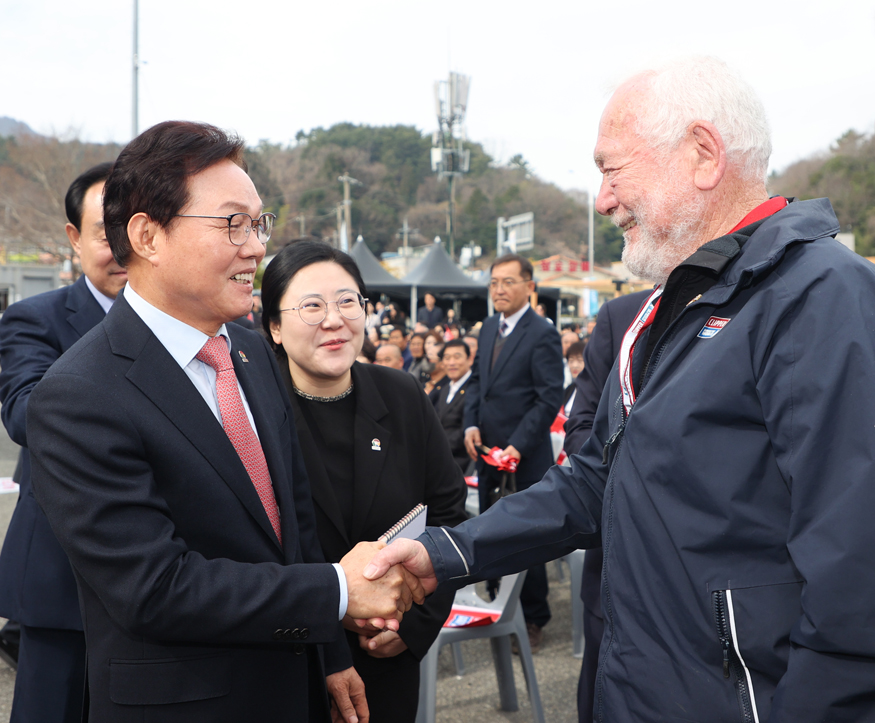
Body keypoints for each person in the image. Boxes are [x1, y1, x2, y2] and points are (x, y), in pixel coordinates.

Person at [365, 56, 875, 722]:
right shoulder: (665, 310)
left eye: (610, 169)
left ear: (701, 154)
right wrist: (448, 551)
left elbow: (854, 580)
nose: (601, 199)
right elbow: (595, 482)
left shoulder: (817, 296)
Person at [26, 121, 421, 723]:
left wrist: (331, 654)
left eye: (258, 223)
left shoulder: (251, 352)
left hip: (293, 689)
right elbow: (154, 589)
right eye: (232, 223)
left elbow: (294, 524)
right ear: (148, 236)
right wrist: (337, 594)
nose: (257, 247)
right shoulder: (79, 395)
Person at [261, 241, 467, 722]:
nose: (334, 320)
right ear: (274, 325)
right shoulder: (253, 411)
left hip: (384, 653)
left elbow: (449, 515)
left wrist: (415, 626)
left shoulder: (402, 394)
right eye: (311, 306)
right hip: (286, 657)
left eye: (348, 301)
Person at [0, 162, 126, 723]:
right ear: (75, 238)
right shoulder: (34, 319)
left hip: (170, 580)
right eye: (106, 232)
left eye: (136, 228)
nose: (124, 247)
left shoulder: (197, 328)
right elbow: (27, 415)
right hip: (61, 576)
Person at [462, 253, 563, 652]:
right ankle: (495, 603)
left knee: (526, 535)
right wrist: (471, 424)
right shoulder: (488, 327)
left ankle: (534, 617)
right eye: (493, 283)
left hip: (524, 454)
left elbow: (547, 398)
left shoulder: (542, 333)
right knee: (491, 526)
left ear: (528, 286)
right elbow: (476, 382)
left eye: (507, 282)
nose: (499, 290)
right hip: (487, 452)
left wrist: (517, 446)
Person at [560, 290, 650, 723]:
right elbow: (582, 422)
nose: (609, 215)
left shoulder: (759, 300)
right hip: (613, 565)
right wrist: (622, 471)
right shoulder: (621, 314)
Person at [429, 339, 473, 472]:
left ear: (469, 359)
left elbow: (465, 428)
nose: (451, 362)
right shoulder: (445, 388)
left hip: (462, 461)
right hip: (441, 456)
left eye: (457, 357)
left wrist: (438, 446)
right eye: (447, 358)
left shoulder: (474, 388)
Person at [560, 340, 586, 414]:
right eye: (571, 361)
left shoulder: (595, 391)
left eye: (580, 360)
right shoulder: (569, 389)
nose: (574, 365)